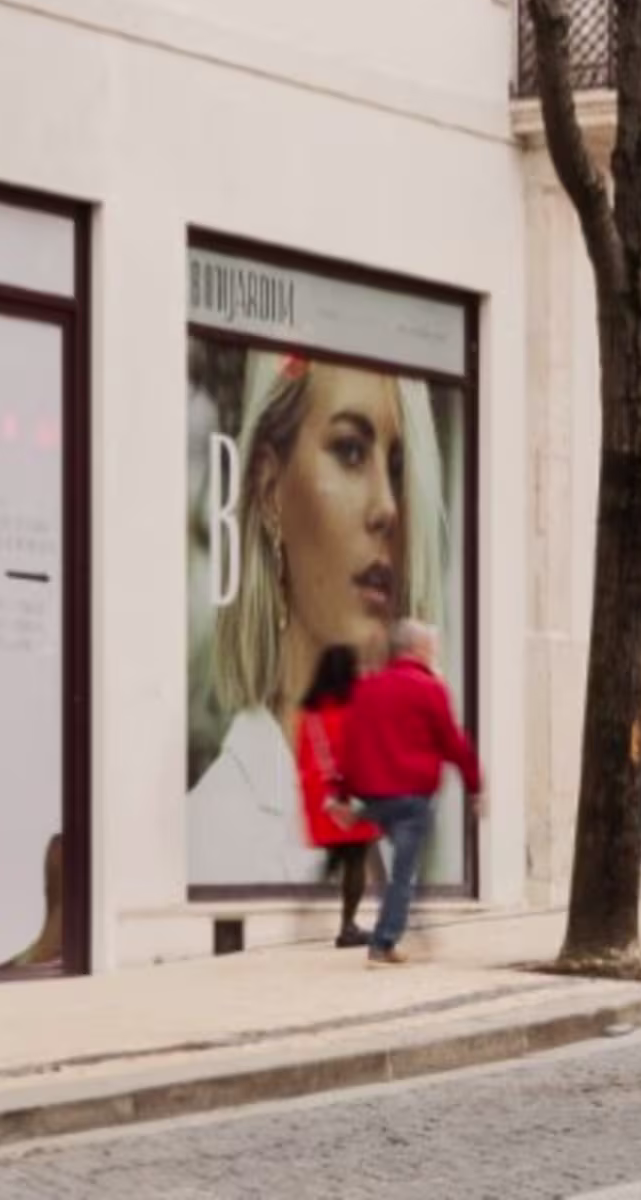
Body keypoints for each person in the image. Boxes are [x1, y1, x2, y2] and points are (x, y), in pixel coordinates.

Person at [184, 353, 447, 889]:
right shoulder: (211, 836)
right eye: (351, 450)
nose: (388, 508)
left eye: (398, 467)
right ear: (269, 487)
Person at [341, 618, 481, 963]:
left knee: (396, 867)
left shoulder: (368, 687)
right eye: (431, 648)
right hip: (411, 799)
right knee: (405, 873)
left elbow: (351, 744)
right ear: (417, 649)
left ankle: (360, 815)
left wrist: (341, 792)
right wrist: (475, 786)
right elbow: (455, 743)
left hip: (375, 795)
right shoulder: (429, 688)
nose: (435, 654)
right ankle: (383, 943)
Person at [288, 644, 379, 946]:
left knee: (337, 856)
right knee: (355, 858)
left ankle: (310, 907)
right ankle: (347, 925)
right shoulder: (358, 705)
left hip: (323, 798)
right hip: (353, 795)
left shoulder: (310, 712)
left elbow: (303, 758)